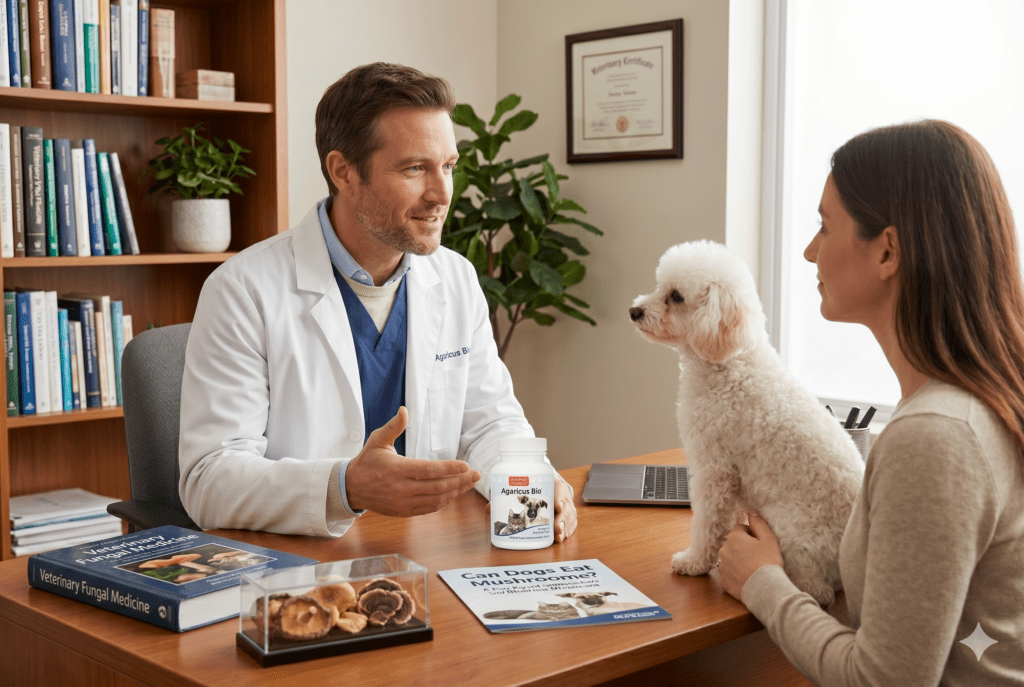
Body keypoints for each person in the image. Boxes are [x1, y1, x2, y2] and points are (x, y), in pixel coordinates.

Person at [178, 62, 578, 542]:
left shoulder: (455, 277)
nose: (442, 194)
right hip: (301, 572)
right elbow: (209, 481)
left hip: (430, 553)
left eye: (448, 166)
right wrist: (344, 487)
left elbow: (489, 423)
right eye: (415, 168)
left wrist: (531, 480)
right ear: (343, 172)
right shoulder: (243, 289)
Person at [717, 120, 1024, 684]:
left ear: (888, 251)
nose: (810, 251)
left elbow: (881, 681)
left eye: (824, 226)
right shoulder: (980, 402)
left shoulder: (937, 435)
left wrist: (762, 581)